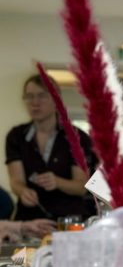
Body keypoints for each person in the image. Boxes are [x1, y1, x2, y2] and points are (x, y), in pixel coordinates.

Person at [5, 74, 94, 220]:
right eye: (29, 96)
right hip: (29, 220)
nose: (35, 102)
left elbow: (81, 187)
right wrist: (23, 191)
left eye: (42, 96)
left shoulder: (76, 137)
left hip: (68, 220)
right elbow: (15, 181)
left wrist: (57, 182)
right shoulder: (16, 136)